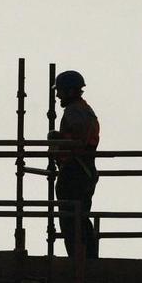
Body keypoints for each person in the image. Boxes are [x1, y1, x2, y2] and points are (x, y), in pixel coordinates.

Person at [49, 70, 100, 259]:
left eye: (60, 91)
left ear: (70, 91)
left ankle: (78, 261)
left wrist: (56, 138)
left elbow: (78, 138)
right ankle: (89, 260)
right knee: (81, 217)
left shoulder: (74, 110)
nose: (57, 95)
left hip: (74, 170)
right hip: (84, 169)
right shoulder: (85, 109)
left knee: (71, 218)